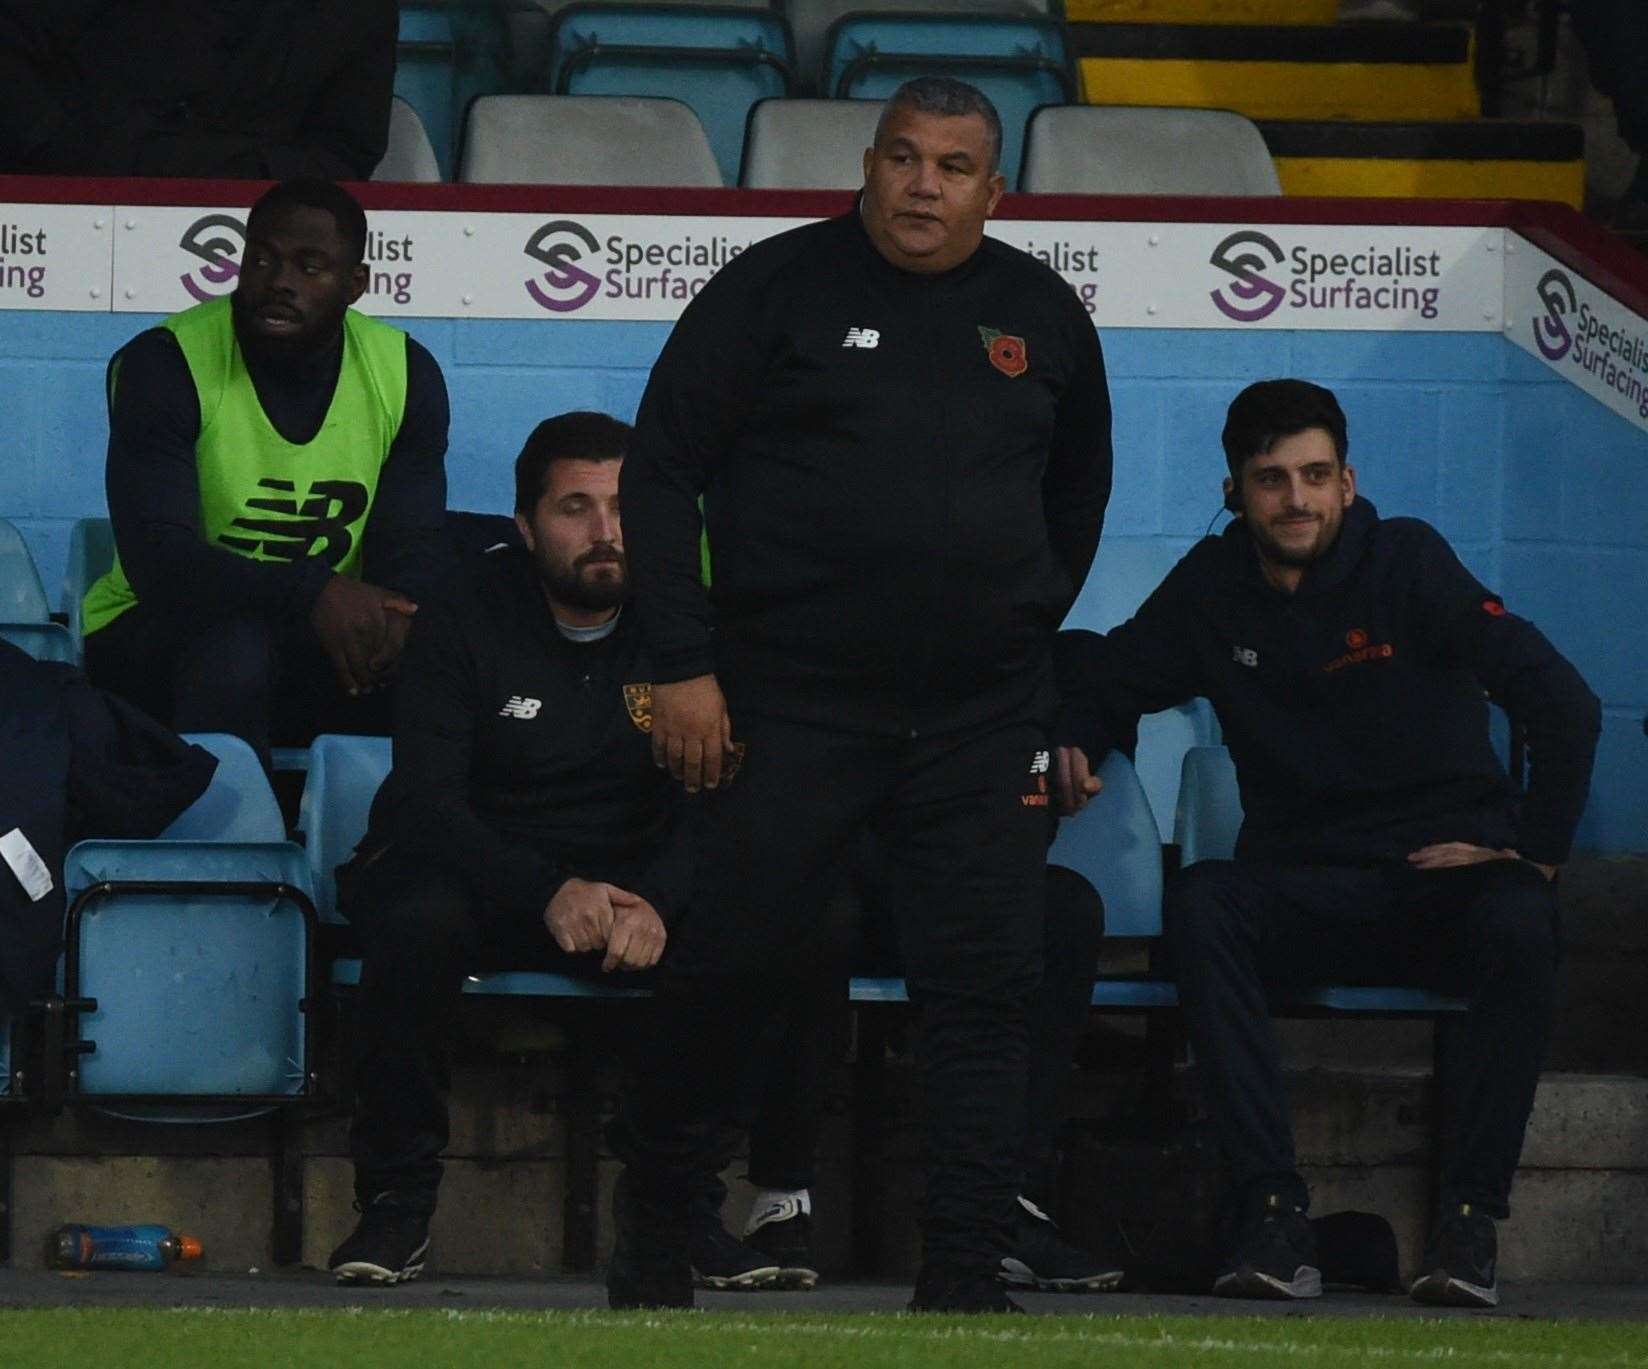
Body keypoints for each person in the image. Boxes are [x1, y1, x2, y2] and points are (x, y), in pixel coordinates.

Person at [610, 76, 1113, 1312]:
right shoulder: (774, 288)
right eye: (902, 157)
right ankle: (656, 1234)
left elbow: (1075, 500)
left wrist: (1014, 630)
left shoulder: (1043, 317)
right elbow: (663, 471)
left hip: (980, 719)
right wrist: (681, 662)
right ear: (867, 164)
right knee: (727, 962)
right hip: (788, 703)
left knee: (985, 988)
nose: (922, 185)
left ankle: (961, 1271)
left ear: (997, 191)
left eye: (952, 166)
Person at [1054, 379, 1601, 1309]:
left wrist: (1534, 855)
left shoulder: (1409, 563)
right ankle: (1272, 1212)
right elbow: (1114, 673)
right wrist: (1070, 732)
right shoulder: (1212, 588)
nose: (1296, 499)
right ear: (1235, 492)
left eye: (1314, 475)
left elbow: (1567, 706)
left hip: (1440, 886)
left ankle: (1469, 1227)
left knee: (1522, 916)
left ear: (1348, 481)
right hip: (1303, 889)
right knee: (1202, 902)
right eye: (1271, 479)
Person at [327, 412, 694, 1285]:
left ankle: (685, 1210)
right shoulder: (462, 617)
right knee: (415, 920)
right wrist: (545, 887)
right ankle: (395, 1206)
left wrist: (661, 898)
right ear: (527, 528)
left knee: (744, 921)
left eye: (622, 506)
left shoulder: (689, 625)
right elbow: (426, 805)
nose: (606, 532)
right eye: (576, 508)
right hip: (478, 872)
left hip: (621, 885)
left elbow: (725, 799)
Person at [82, 179, 448, 768]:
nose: (280, 282)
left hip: (318, 627)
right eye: (262, 259)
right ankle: (223, 852)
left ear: (355, 285)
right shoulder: (166, 362)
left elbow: (412, 547)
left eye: (310, 267)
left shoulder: (405, 372)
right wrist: (311, 589)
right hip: (152, 630)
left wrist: (399, 621)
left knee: (437, 654)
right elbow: (160, 563)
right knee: (236, 649)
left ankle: (391, 850)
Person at [692, 834, 1124, 1295]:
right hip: (831, 862)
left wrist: (1069, 761)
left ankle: (1005, 1204)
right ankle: (779, 1201)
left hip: (948, 868)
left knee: (1063, 907)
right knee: (811, 910)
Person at [0, 0, 395, 179]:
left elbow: (346, 151)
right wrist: (65, 152)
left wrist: (247, 175)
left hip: (252, 222)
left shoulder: (359, 11)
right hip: (63, 195)